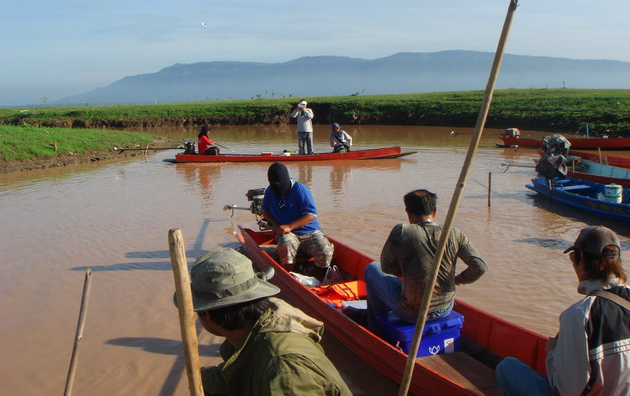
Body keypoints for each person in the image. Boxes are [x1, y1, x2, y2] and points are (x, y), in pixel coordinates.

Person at [179, 247, 352, 396]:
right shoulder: (250, 332)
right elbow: (241, 372)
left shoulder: (284, 369)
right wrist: (204, 381)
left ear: (207, 315)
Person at [496, 226, 630, 396]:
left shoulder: (579, 315)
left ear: (582, 260)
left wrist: (552, 354)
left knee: (506, 368)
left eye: (573, 258)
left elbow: (567, 391)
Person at [364, 189, 487, 331]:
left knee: (372, 269)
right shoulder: (454, 233)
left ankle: (374, 326)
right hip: (445, 308)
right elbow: (480, 267)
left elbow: (386, 267)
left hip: (411, 314)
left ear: (408, 212)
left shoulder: (402, 231)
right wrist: (457, 280)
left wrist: (409, 274)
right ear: (435, 211)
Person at [261, 162, 333, 279]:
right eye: (274, 183)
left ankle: (317, 274)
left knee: (325, 250)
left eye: (280, 183)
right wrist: (275, 225)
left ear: (286, 180)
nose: (277, 186)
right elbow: (265, 211)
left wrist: (290, 226)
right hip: (288, 233)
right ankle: (291, 275)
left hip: (309, 232)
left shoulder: (300, 190)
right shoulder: (270, 191)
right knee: (286, 244)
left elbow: (311, 214)